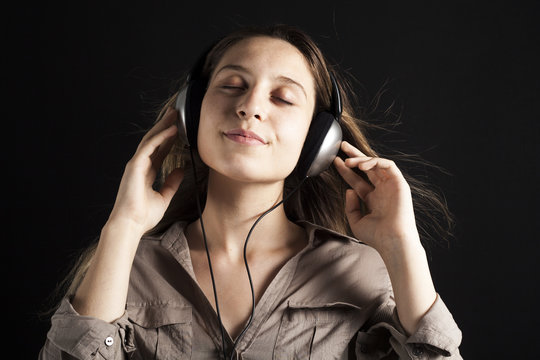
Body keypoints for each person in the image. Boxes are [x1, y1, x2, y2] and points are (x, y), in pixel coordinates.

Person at [39, 24, 462, 359]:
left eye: (282, 97)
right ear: (192, 113)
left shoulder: (361, 275)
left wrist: (401, 247)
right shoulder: (127, 266)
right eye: (232, 85)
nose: (250, 106)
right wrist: (123, 227)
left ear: (318, 141)